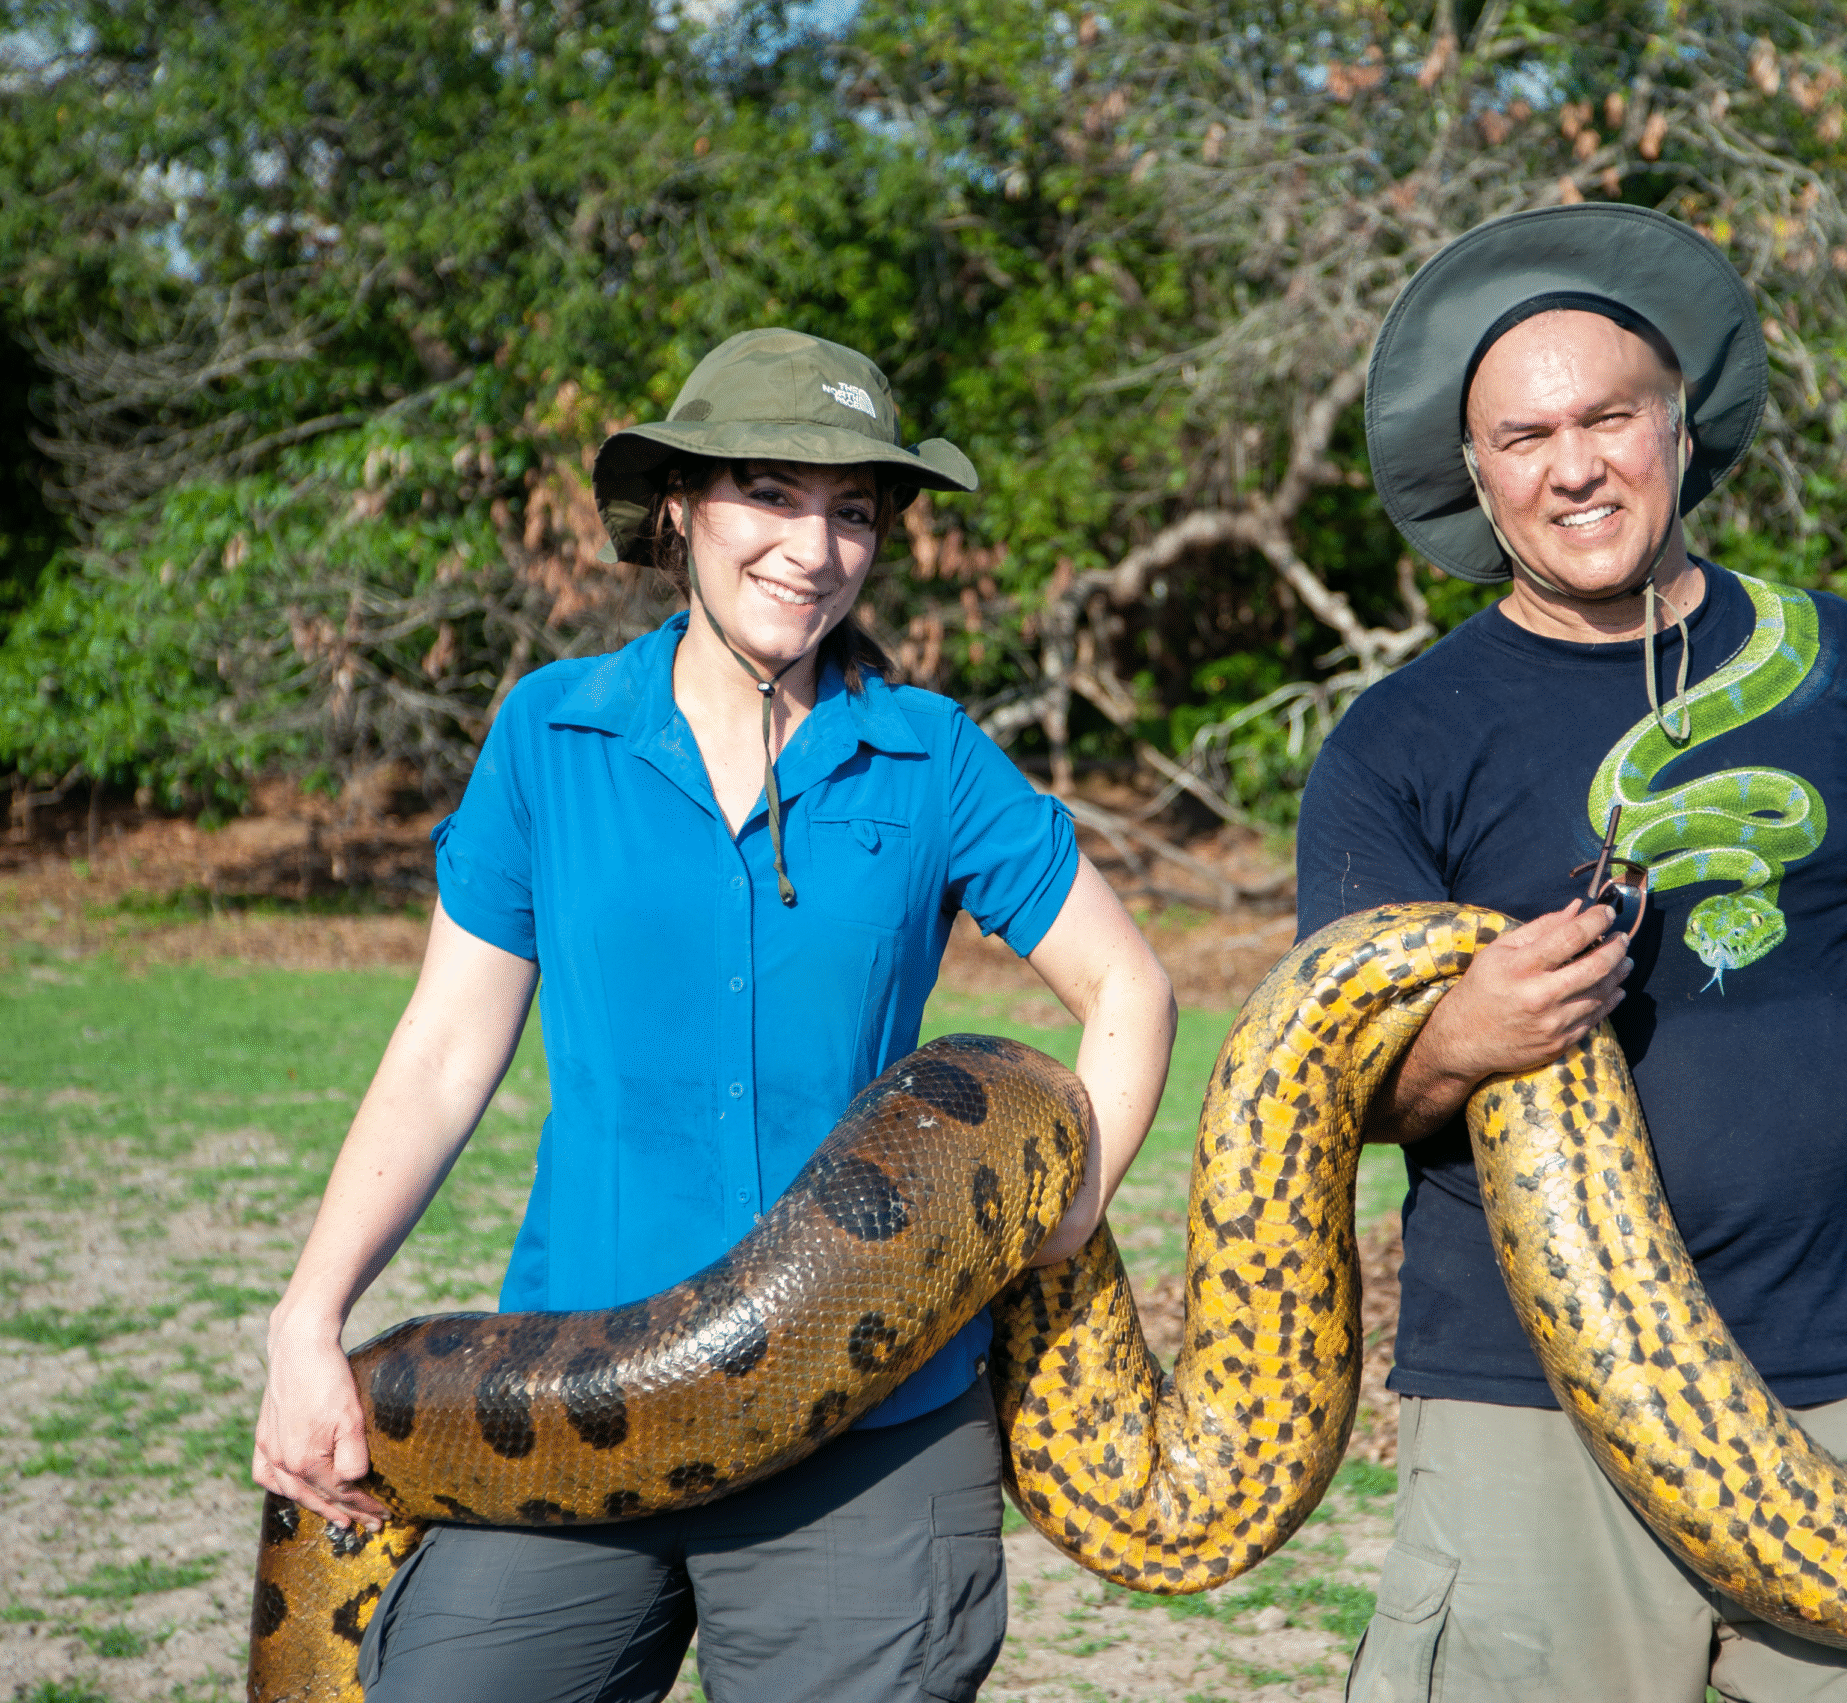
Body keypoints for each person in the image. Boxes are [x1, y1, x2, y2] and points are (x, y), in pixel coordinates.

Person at [1299, 206, 1847, 1703]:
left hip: (1846, 1352)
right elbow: (1342, 1086)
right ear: (1477, 478)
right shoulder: (1398, 739)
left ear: (1681, 425)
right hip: (1536, 1401)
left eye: (1608, 416)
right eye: (1524, 436)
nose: (1573, 464)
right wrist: (1463, 1035)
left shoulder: (1837, 655)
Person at [252, 329, 1178, 1703]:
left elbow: (1129, 987)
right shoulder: (550, 735)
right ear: (679, 504)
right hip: (575, 1395)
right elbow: (445, 1053)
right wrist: (307, 1318)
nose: (813, 548)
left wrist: (1060, 1216)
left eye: (852, 510)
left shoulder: (930, 754)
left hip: (871, 1426)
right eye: (769, 492)